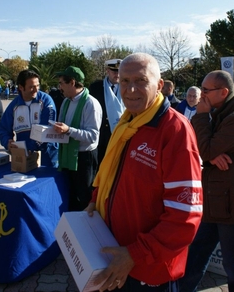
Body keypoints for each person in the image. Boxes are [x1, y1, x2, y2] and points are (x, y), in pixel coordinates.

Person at [86, 53, 203, 292]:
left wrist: (134, 254)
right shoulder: (127, 121)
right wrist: (95, 200)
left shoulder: (175, 130)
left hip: (149, 270)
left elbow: (185, 217)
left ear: (159, 85)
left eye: (140, 81)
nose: (130, 89)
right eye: (124, 81)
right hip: (115, 258)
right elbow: (113, 175)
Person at [178, 70, 234, 292]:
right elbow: (198, 148)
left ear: (223, 92)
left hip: (231, 206)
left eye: (206, 91)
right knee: (195, 256)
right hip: (213, 200)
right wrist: (211, 155)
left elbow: (204, 148)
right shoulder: (221, 113)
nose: (201, 96)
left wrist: (200, 118)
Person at [53, 66, 102, 211]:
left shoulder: (90, 104)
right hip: (68, 156)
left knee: (84, 199)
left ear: (72, 82)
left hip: (84, 159)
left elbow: (92, 136)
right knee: (70, 197)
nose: (59, 87)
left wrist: (68, 130)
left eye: (62, 83)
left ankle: (84, 231)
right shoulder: (67, 102)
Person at [0, 69, 58, 167]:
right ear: (21, 87)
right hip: (25, 157)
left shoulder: (46, 101)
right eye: (31, 87)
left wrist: (29, 147)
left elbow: (45, 129)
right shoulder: (14, 106)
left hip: (47, 156)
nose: (36, 90)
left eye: (37, 86)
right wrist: (7, 142)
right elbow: (3, 129)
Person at [89, 58, 125, 165]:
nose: (117, 75)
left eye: (120, 72)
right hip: (103, 135)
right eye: (114, 71)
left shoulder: (128, 87)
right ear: (107, 71)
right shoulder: (96, 87)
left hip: (122, 132)